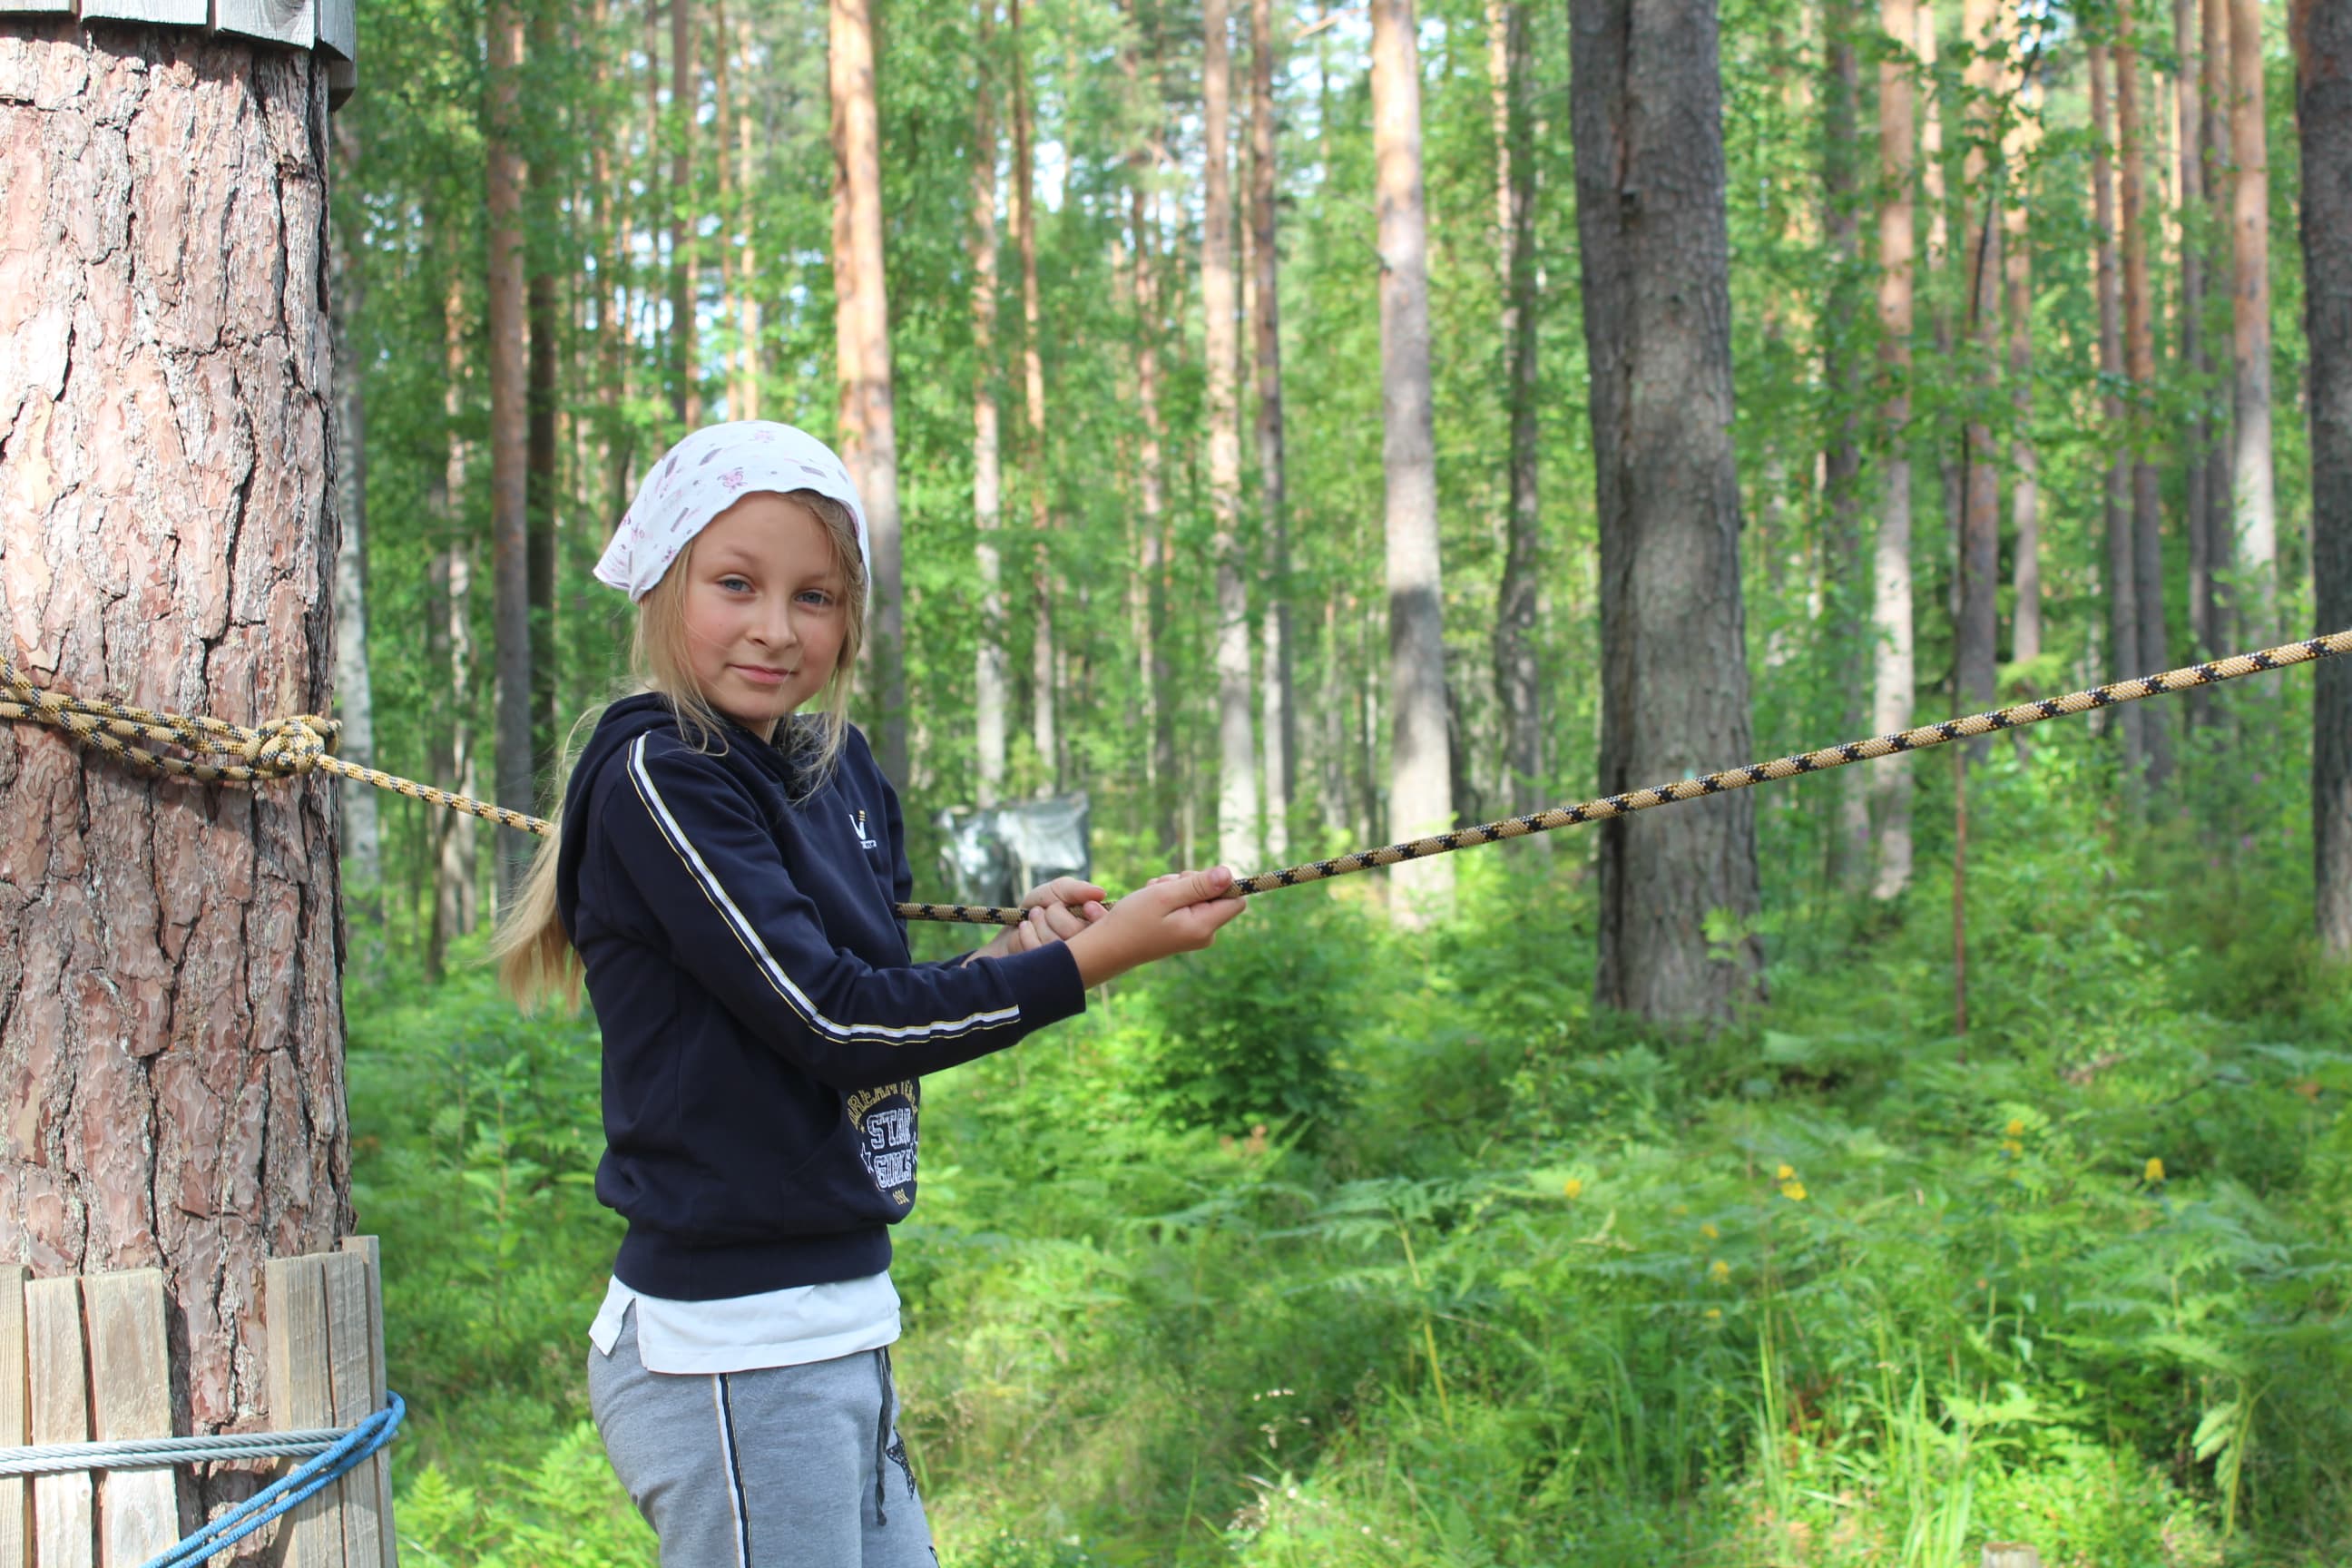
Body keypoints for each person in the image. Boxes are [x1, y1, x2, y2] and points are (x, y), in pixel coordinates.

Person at [491, 421, 1247, 1567]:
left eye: (816, 597)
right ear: (662, 581)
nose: (774, 627)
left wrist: (1009, 956)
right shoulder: (665, 772)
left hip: (840, 1315)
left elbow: (873, 992)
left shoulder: (835, 769)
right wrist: (1088, 965)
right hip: (732, 1347)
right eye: (735, 584)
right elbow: (833, 1022)